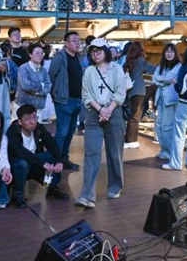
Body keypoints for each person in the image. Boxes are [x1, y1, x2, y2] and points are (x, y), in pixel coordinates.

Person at [73, 38, 126, 209]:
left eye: (98, 51)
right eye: (92, 51)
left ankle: (115, 186)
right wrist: (100, 110)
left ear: (106, 51)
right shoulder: (89, 71)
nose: (95, 54)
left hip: (114, 113)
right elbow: (86, 94)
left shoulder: (117, 69)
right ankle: (87, 195)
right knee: (91, 153)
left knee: (115, 153)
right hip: (94, 115)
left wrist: (108, 110)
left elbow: (120, 93)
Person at [7, 104, 69, 207]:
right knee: (21, 163)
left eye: (34, 117)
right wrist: (42, 163)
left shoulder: (38, 128)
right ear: (20, 122)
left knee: (52, 155)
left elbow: (52, 144)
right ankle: (18, 196)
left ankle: (52, 188)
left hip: (34, 165)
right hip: (17, 168)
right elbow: (20, 152)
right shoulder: (12, 131)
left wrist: (59, 161)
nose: (32, 122)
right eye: (27, 119)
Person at [47, 31, 83, 170]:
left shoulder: (78, 57)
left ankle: (64, 158)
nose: (77, 42)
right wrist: (55, 93)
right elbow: (51, 75)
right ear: (66, 43)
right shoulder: (60, 57)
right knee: (62, 132)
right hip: (64, 100)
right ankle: (56, 159)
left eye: (79, 40)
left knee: (70, 132)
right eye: (74, 40)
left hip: (77, 99)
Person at [122, 41, 155, 149]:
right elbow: (152, 70)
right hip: (138, 91)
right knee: (135, 116)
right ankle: (130, 140)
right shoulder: (141, 61)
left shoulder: (128, 61)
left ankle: (128, 138)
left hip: (130, 91)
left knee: (132, 115)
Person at [152, 43, 181, 162]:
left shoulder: (178, 66)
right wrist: (165, 81)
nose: (169, 54)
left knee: (167, 126)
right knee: (159, 125)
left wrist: (162, 79)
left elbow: (169, 77)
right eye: (167, 52)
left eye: (171, 52)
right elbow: (154, 79)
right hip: (160, 98)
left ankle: (170, 151)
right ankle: (163, 150)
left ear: (175, 53)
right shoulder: (161, 66)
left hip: (170, 99)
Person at [15, 43, 51, 119]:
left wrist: (38, 92)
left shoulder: (43, 70)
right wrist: (41, 85)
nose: (40, 55)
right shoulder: (23, 68)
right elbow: (26, 86)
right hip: (24, 106)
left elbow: (48, 86)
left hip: (39, 107)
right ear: (30, 55)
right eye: (37, 53)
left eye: (42, 53)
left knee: (38, 129)